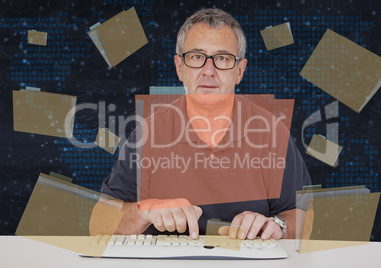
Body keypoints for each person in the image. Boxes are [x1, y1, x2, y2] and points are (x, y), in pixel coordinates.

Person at [92, 8, 311, 241]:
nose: (209, 71)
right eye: (197, 57)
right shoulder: (147, 133)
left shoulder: (271, 133)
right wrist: (144, 212)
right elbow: (98, 223)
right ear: (179, 67)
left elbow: (306, 217)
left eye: (222, 58)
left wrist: (277, 225)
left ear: (240, 71)